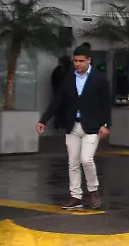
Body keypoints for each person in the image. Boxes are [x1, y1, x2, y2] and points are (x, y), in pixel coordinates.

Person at [37, 43, 112, 209]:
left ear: (89, 61)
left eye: (81, 61)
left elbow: (106, 104)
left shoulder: (99, 79)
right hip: (72, 126)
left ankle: (93, 189)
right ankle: (75, 197)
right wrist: (44, 119)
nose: (78, 64)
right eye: (75, 61)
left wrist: (106, 124)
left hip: (92, 127)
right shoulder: (69, 78)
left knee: (86, 159)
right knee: (73, 162)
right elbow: (57, 101)